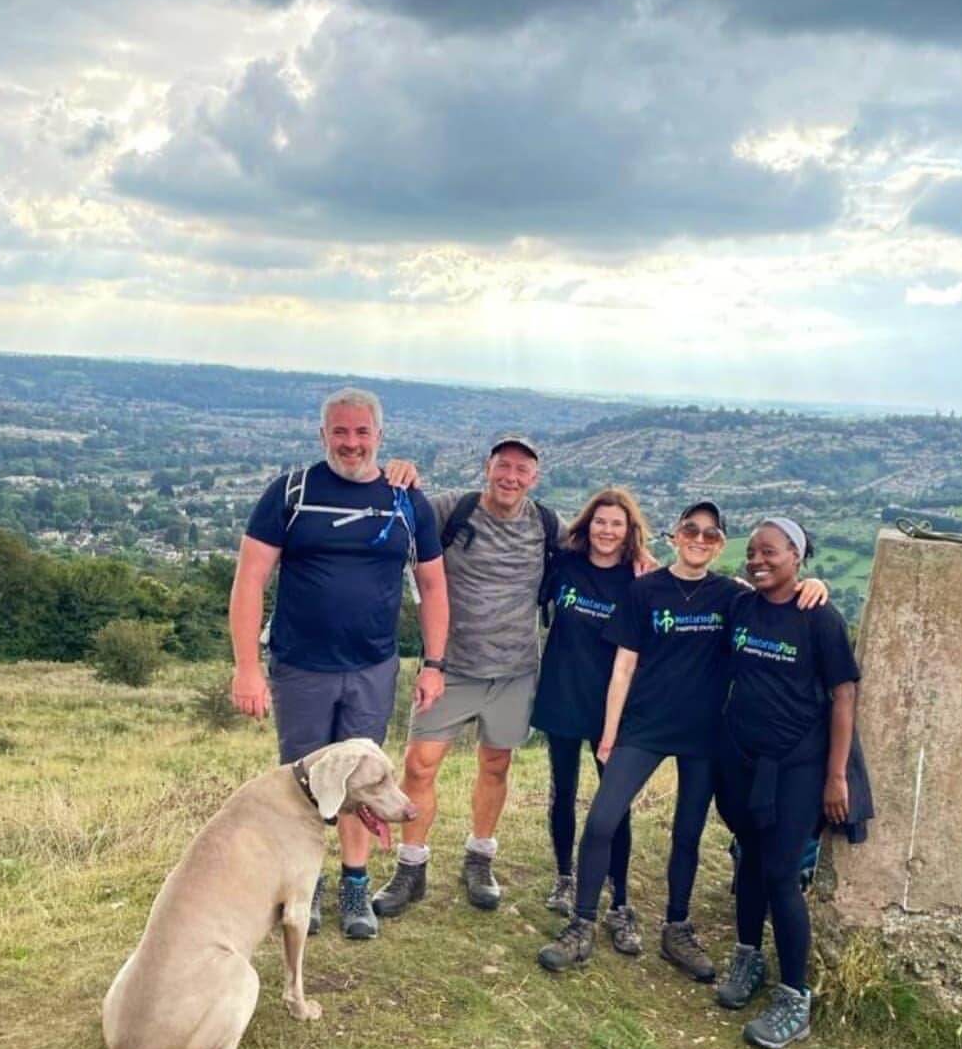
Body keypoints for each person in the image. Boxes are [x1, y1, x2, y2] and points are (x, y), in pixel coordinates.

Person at [537, 501, 826, 976]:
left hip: (705, 733)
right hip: (645, 724)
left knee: (688, 835)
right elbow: (623, 665)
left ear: (720, 545)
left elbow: (781, 599)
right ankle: (581, 925)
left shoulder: (733, 596)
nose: (699, 539)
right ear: (674, 535)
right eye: (691, 529)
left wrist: (815, 585)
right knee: (603, 819)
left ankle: (676, 929)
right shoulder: (644, 589)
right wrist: (609, 734)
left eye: (711, 535)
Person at [229, 387, 449, 939]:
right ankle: (306, 886)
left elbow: (432, 584)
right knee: (304, 784)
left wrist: (434, 662)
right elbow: (250, 578)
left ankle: (355, 885)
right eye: (341, 432)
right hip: (300, 665)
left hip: (373, 666)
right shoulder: (291, 492)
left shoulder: (406, 500)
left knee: (364, 780)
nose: (351, 443)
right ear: (322, 435)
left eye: (362, 432)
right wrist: (246, 666)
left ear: (380, 435)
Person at [372, 436, 566, 919]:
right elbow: (395, 512)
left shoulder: (547, 523)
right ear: (488, 467)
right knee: (419, 765)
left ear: (534, 478)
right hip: (450, 667)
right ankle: (411, 866)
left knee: (496, 764)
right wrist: (397, 473)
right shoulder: (451, 510)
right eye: (504, 466)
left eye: (522, 470)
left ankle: (480, 857)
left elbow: (602, 548)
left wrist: (643, 560)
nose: (511, 477)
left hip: (516, 669)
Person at [713, 518, 859, 1049]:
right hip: (742, 757)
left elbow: (844, 696)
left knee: (779, 872)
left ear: (796, 557)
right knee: (749, 858)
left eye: (771, 551)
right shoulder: (741, 607)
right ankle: (748, 956)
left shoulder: (819, 617)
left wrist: (836, 775)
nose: (758, 559)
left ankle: (795, 997)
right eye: (752, 551)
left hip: (798, 763)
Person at [530, 487, 651, 955]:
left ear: (629, 531)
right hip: (563, 692)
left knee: (612, 804)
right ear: (588, 525)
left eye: (616, 524)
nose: (606, 531)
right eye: (600, 522)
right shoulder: (565, 565)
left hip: (613, 706)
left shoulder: (640, 581)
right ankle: (565, 877)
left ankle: (619, 899)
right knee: (562, 791)